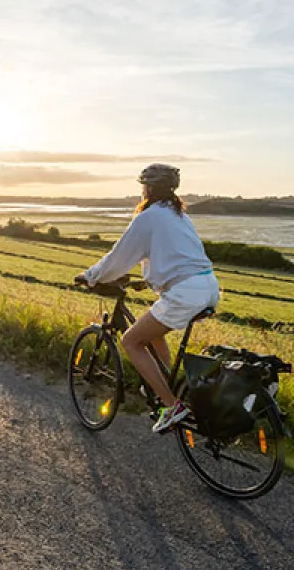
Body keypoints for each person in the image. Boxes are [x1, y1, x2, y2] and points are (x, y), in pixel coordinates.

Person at [76, 163, 220, 433]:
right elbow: (178, 256)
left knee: (130, 340)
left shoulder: (149, 216)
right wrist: (149, 280)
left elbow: (119, 257)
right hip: (208, 286)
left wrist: (92, 276)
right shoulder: (179, 215)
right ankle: (165, 385)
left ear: (149, 188)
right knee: (153, 332)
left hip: (184, 293)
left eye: (143, 186)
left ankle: (171, 406)